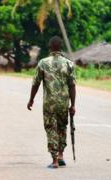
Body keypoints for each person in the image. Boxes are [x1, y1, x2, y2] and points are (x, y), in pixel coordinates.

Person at [27, 36, 76, 169]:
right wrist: (73, 105)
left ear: (50, 47)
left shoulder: (43, 63)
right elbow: (72, 86)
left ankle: (54, 161)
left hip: (49, 103)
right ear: (61, 47)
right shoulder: (68, 64)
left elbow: (35, 84)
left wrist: (31, 99)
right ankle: (60, 155)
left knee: (51, 129)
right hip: (63, 103)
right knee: (62, 128)